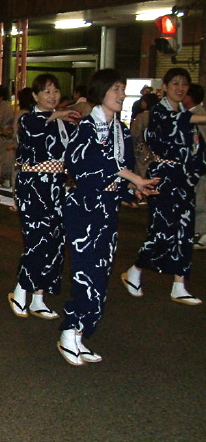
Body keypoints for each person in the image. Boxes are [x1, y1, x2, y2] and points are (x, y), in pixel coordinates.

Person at [60, 69, 158, 365]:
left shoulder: (121, 129)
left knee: (101, 273)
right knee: (84, 271)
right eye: (116, 89)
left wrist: (134, 188)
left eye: (123, 89)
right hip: (84, 208)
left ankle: (81, 333)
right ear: (101, 91)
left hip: (107, 208)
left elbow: (124, 165)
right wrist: (132, 178)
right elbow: (86, 164)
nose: (121, 94)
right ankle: (69, 331)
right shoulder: (86, 126)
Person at [122, 68, 206, 305]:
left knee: (184, 231)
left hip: (184, 179)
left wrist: (196, 168)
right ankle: (135, 270)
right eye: (175, 83)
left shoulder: (184, 114)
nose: (180, 88)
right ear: (165, 87)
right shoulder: (160, 112)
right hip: (163, 178)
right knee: (162, 230)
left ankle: (179, 284)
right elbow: (176, 123)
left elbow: (198, 149)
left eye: (184, 84)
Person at [8, 74, 80, 320]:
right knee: (36, 239)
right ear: (36, 96)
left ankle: (39, 296)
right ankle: (21, 288)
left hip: (57, 187)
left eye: (56, 91)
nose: (52, 96)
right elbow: (35, 129)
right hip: (33, 186)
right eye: (47, 91)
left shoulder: (64, 122)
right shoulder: (28, 118)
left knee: (55, 241)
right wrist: (59, 115)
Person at [183, 84, 206, 249]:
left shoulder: (195, 116)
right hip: (199, 167)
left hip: (199, 167)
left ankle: (200, 235)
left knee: (199, 202)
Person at [129, 92, 159, 179]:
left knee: (141, 173)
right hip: (156, 152)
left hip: (142, 151)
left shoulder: (141, 117)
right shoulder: (159, 116)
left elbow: (134, 135)